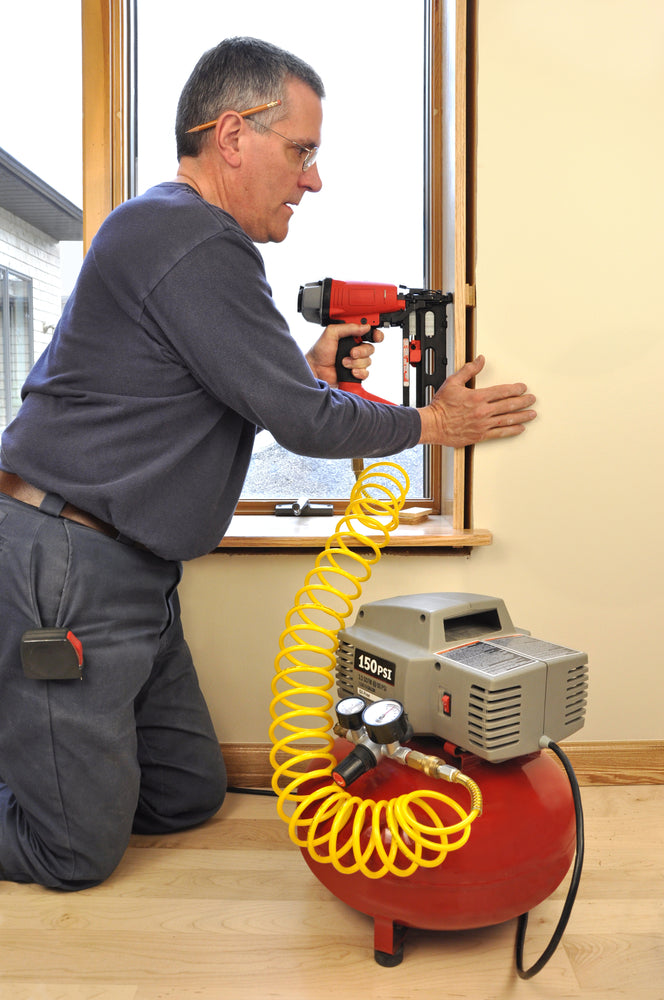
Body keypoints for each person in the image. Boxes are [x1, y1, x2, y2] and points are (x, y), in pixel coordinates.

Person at [0, 37, 536, 890]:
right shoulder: (189, 235)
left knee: (186, 795)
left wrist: (310, 377)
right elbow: (301, 422)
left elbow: (225, 403)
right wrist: (434, 421)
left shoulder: (175, 239)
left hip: (132, 570)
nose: (312, 180)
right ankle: (50, 779)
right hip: (67, 562)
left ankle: (55, 759)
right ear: (233, 136)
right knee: (74, 857)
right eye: (302, 151)